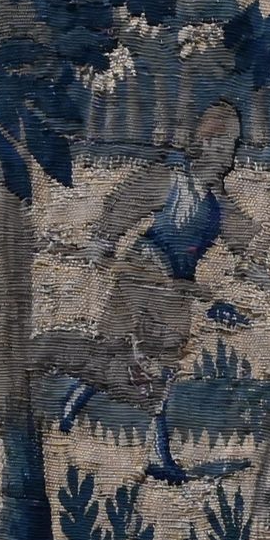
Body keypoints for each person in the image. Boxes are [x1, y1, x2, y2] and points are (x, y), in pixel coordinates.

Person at [37, 103, 246, 483]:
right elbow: (124, 202)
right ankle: (154, 453)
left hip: (176, 289)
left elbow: (244, 237)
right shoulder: (171, 181)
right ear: (208, 143)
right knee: (133, 359)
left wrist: (263, 266)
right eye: (228, 146)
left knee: (158, 367)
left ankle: (86, 414)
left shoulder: (218, 201)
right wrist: (102, 242)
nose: (231, 159)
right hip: (143, 275)